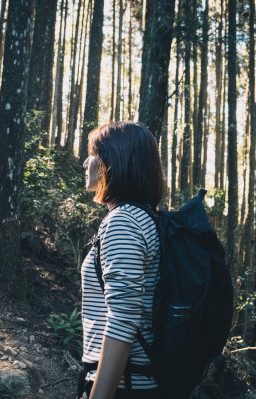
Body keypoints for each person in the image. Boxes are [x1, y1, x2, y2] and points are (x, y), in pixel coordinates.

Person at [79, 121, 164, 399]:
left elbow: (123, 320)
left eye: (93, 154)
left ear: (112, 162)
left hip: (126, 388)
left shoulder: (124, 222)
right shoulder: (147, 217)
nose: (85, 162)